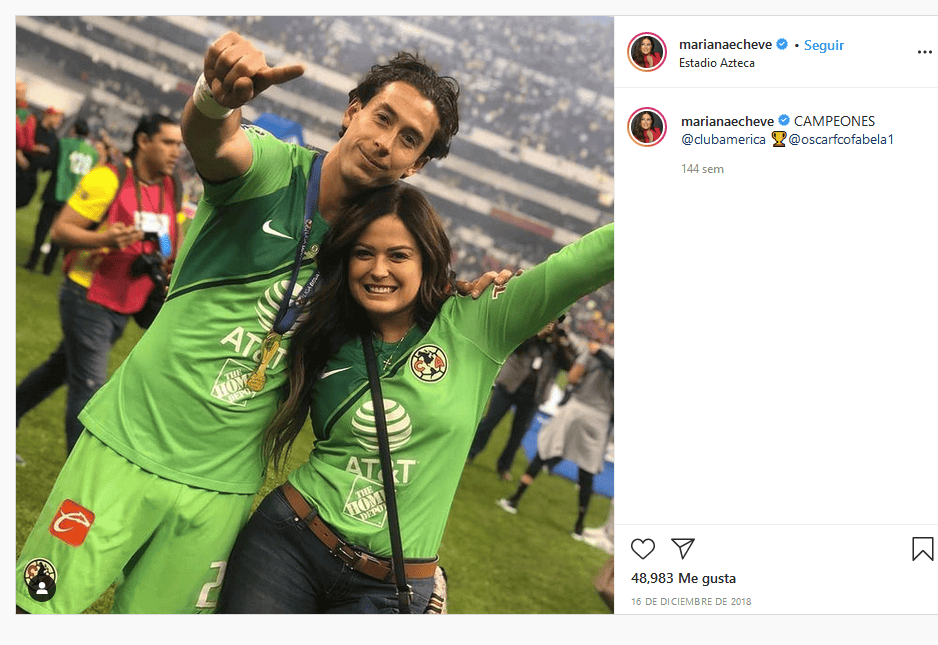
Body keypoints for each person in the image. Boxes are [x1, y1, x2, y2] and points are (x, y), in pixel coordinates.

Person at [15, 31, 504, 615]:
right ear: (352, 111)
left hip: (223, 487)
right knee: (34, 612)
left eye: (408, 139)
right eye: (382, 117)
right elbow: (216, 144)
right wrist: (214, 99)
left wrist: (457, 295)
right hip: (127, 445)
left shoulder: (370, 258)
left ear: (416, 164)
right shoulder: (272, 169)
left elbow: (421, 333)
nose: (384, 142)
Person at [216, 182, 614, 613]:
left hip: (392, 588)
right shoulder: (323, 330)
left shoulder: (479, 321)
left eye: (398, 255)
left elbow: (582, 263)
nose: (378, 269)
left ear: (428, 257)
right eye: (363, 253)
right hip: (287, 547)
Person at [15, 113, 182, 456]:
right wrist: (104, 239)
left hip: (126, 300)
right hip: (87, 295)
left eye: (179, 144)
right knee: (89, 387)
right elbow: (60, 230)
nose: (176, 152)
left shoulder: (172, 186)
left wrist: (168, 263)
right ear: (143, 141)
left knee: (58, 369)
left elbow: (169, 238)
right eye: (168, 142)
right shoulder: (109, 177)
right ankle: (77, 478)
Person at [498, 341, 614, 539]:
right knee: (586, 472)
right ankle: (579, 525)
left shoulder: (594, 351)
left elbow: (573, 377)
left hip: (576, 410)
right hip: (599, 419)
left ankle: (514, 499)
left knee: (544, 452)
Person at [465, 316, 576, 480]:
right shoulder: (530, 326)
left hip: (534, 394)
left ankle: (504, 467)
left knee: (518, 435)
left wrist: (561, 343)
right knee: (489, 422)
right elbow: (512, 346)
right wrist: (537, 334)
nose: (552, 325)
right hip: (510, 384)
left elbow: (570, 365)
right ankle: (470, 453)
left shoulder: (561, 342)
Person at [24, 117, 99, 274]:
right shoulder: (92, 153)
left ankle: (33, 261)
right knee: (60, 233)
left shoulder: (63, 143)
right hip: (74, 197)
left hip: (56, 191)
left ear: (73, 130)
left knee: (43, 228)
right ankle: (48, 267)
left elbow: (50, 163)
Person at [16, 81, 55, 208]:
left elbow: (25, 143)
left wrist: (34, 149)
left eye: (22, 92)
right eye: (17, 91)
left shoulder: (27, 117)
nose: (19, 95)